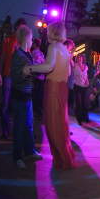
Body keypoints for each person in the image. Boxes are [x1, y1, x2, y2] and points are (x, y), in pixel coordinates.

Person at [24, 22, 75, 170]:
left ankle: (61, 160)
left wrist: (30, 68)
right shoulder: (65, 50)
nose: (46, 33)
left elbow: (48, 66)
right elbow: (69, 73)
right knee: (61, 124)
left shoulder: (53, 47)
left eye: (48, 31)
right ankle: (65, 157)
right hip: (62, 88)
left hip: (53, 88)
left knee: (53, 126)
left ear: (52, 33)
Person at [10, 25, 42, 169]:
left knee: (29, 125)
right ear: (25, 38)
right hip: (20, 96)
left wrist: (36, 69)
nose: (32, 40)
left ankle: (29, 151)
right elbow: (16, 77)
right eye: (30, 37)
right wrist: (27, 72)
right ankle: (17, 156)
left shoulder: (28, 54)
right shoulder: (18, 55)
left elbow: (32, 72)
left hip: (27, 96)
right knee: (19, 127)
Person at [0, 18, 27, 139]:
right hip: (8, 76)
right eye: (22, 28)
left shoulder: (25, 42)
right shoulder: (8, 40)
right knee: (5, 104)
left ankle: (16, 131)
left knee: (17, 105)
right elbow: (3, 57)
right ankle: (5, 131)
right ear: (17, 27)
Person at [73, 54, 90, 125]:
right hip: (77, 86)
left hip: (85, 87)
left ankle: (85, 118)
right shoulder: (74, 65)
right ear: (77, 59)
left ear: (83, 59)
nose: (80, 59)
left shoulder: (85, 66)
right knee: (79, 103)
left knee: (84, 103)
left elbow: (86, 75)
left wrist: (87, 81)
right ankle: (79, 119)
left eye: (81, 57)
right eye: (78, 58)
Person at [31, 38, 45, 119]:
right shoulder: (41, 53)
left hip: (36, 77)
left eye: (33, 43)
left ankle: (37, 112)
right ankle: (39, 112)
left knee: (36, 95)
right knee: (39, 95)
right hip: (41, 77)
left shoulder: (34, 53)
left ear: (35, 44)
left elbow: (34, 65)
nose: (32, 44)